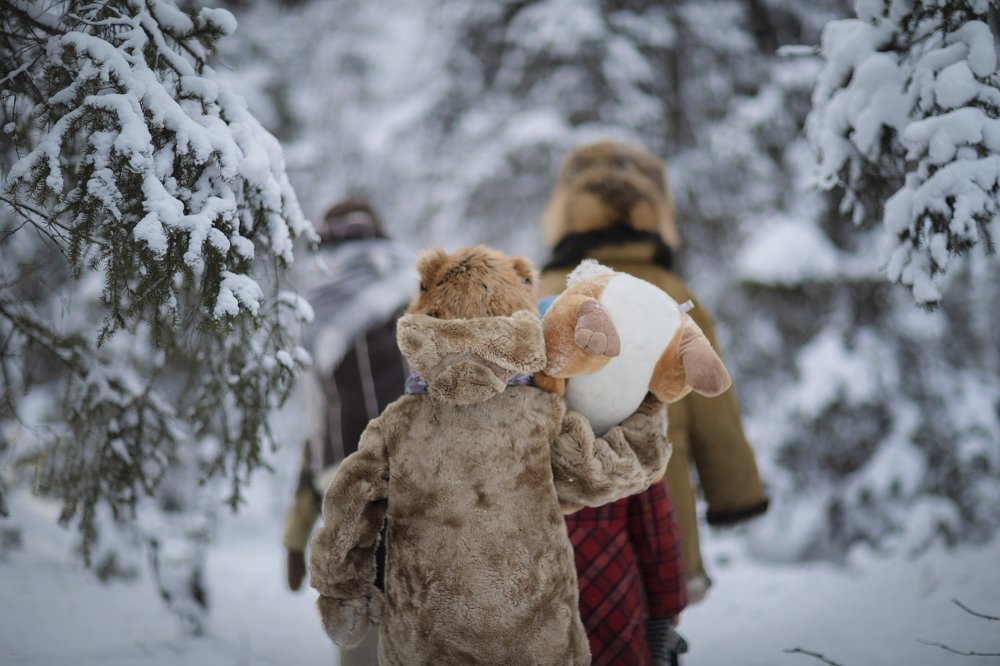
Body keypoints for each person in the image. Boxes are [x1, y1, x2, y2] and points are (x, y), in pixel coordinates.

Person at [537, 139, 769, 660]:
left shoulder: (548, 293)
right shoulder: (672, 294)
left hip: (561, 519)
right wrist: (736, 496)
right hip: (662, 514)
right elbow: (717, 415)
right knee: (650, 636)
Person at [283, 198, 417, 666]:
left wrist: (298, 525)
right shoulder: (418, 290)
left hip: (346, 491)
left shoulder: (313, 307)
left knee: (361, 623)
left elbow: (317, 425)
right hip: (426, 485)